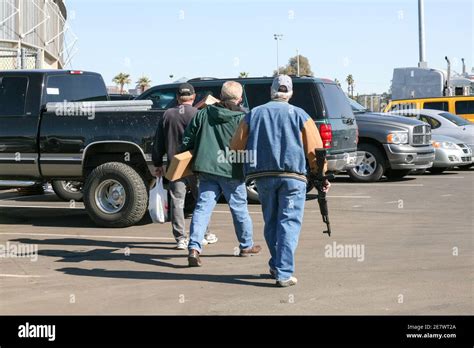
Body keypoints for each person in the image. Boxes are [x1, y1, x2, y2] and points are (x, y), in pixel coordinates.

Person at [231, 75, 331, 287]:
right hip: (293, 178)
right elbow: (316, 150)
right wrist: (321, 175)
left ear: (272, 91)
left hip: (263, 178)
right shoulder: (300, 114)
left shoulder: (254, 114)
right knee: (289, 223)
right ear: (290, 93)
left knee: (272, 221)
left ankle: (277, 265)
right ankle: (283, 272)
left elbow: (236, 148)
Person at [182, 81, 261, 267]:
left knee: (202, 208)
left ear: (221, 95)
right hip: (232, 170)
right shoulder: (244, 117)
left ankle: (194, 247)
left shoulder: (203, 114)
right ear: (239, 98)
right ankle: (246, 245)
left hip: (207, 168)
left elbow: (187, 139)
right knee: (239, 208)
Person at [152, 83, 218, 250]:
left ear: (177, 97)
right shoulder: (199, 114)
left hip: (176, 164)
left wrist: (158, 163)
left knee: (177, 201)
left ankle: (181, 238)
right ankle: (204, 233)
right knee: (201, 200)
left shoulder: (167, 115)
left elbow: (158, 142)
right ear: (193, 97)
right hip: (197, 163)